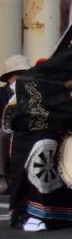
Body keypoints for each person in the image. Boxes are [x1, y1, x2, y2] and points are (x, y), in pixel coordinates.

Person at [0, 54, 31, 195]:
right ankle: (2, 176)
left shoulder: (34, 93)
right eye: (17, 74)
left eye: (24, 73)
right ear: (8, 77)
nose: (21, 77)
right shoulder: (1, 94)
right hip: (6, 131)